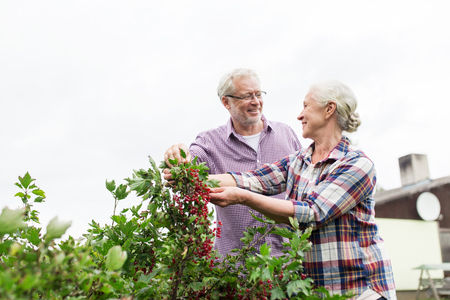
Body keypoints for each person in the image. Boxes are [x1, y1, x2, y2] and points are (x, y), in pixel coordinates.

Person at [206, 80, 397, 300]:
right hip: (317, 292)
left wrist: (244, 198)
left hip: (361, 291)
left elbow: (311, 213)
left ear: (329, 109)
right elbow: (251, 179)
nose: (299, 115)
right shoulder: (299, 161)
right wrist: (191, 177)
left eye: (306, 106)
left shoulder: (356, 164)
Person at [164, 68, 302, 262]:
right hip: (234, 268)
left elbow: (305, 183)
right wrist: (179, 155)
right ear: (226, 102)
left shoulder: (286, 134)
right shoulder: (210, 141)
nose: (256, 101)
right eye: (246, 96)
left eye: (258, 94)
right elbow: (191, 163)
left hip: (287, 261)